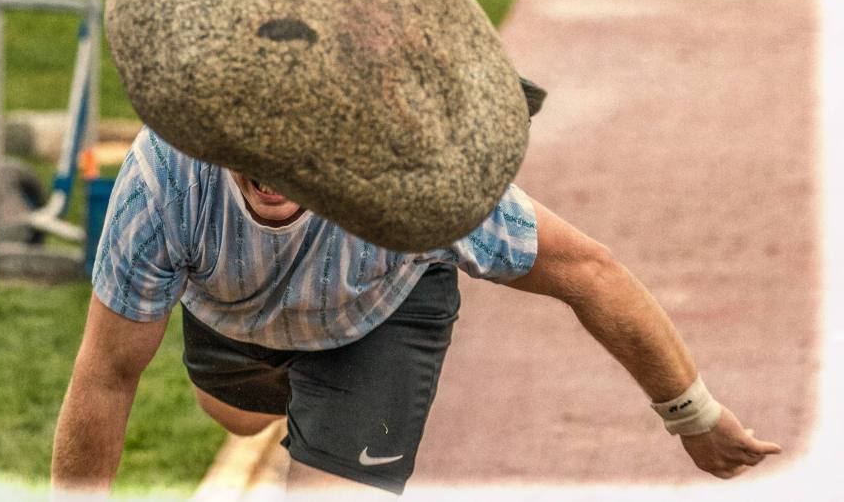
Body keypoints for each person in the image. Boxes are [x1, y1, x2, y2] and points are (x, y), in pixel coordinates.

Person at [50, 126, 781, 500]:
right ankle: (292, 404)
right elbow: (106, 374)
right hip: (235, 310)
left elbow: (590, 271)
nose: (271, 167)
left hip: (379, 316)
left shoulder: (417, 184)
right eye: (251, 145)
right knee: (236, 417)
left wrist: (693, 413)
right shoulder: (164, 179)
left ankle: (332, 420)